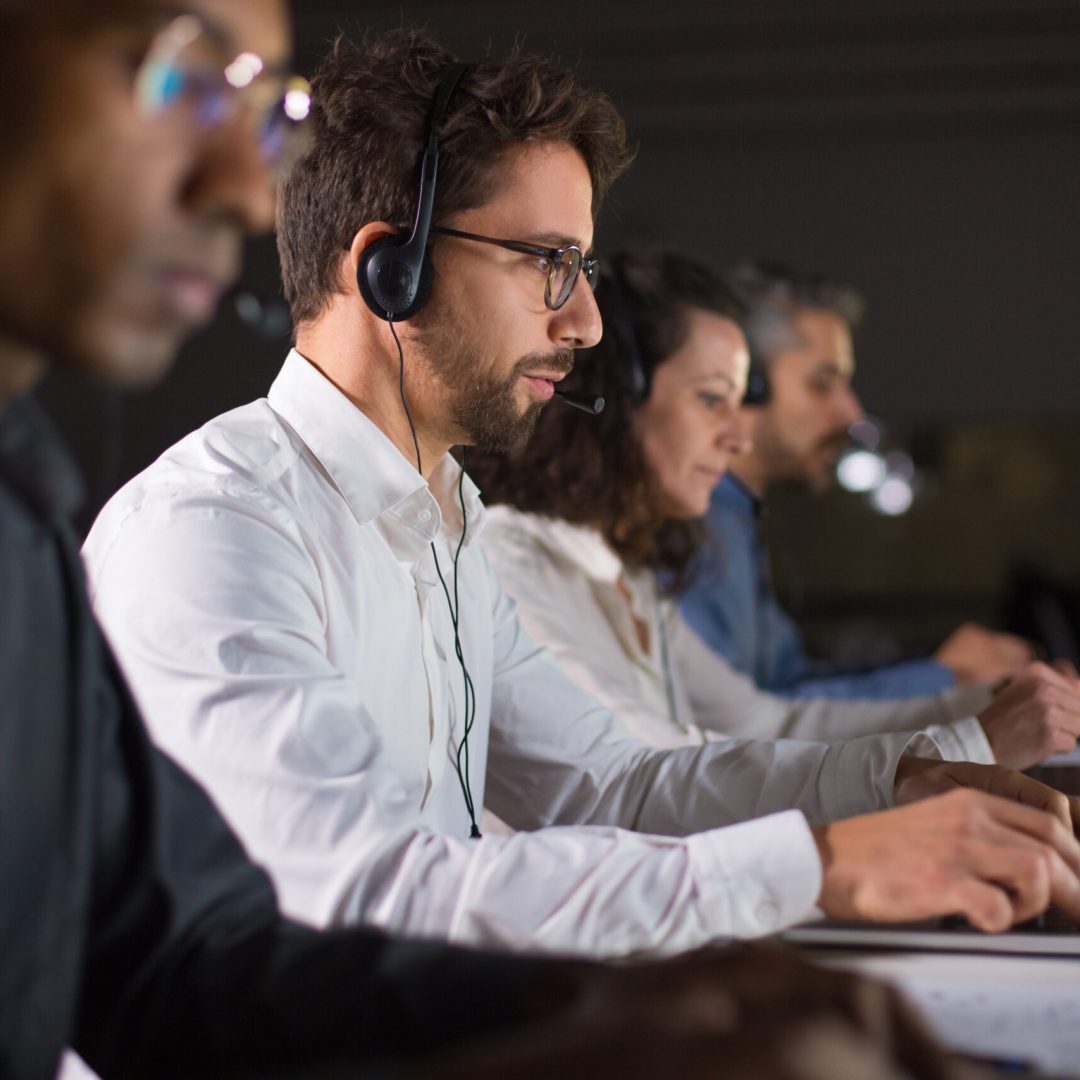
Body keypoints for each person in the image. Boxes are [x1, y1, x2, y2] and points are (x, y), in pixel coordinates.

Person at [2, 5, 956, 1079]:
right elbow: (336, 908)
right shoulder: (214, 530)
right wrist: (806, 867)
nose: (588, 324)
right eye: (549, 261)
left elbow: (609, 786)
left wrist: (913, 784)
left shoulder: (449, 520)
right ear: (388, 272)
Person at [469, 250, 1080, 770]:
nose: (738, 437)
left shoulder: (621, 571)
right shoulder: (511, 560)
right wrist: (968, 736)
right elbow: (643, 777)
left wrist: (975, 709)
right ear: (615, 400)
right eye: (712, 400)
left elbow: (770, 720)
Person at [677, 260, 1034, 699]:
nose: (851, 413)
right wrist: (941, 677)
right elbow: (741, 721)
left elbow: (787, 681)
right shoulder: (692, 524)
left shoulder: (735, 520)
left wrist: (941, 666)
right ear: (747, 381)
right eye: (822, 385)